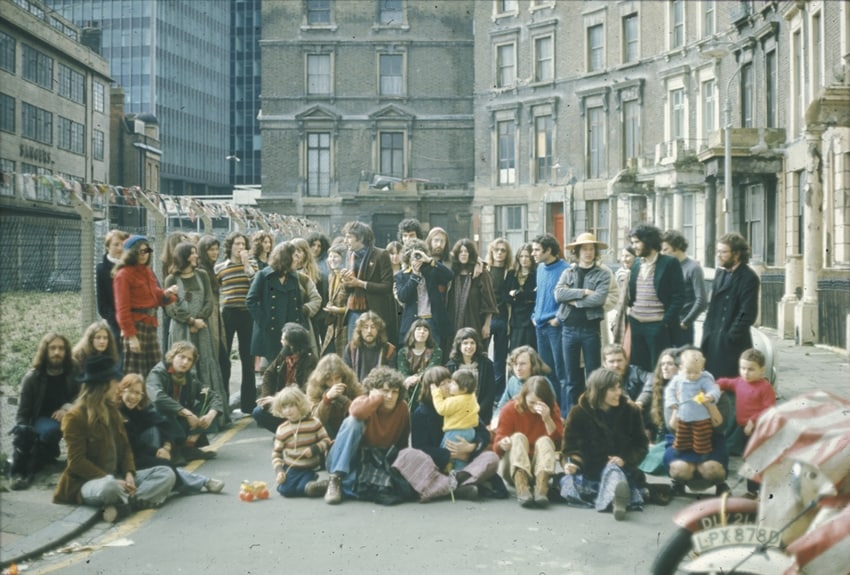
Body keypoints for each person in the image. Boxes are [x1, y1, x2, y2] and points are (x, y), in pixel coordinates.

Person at [53, 356, 176, 522]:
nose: (118, 385)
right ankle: (131, 500)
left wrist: (129, 474)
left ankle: (123, 506)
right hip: (90, 481)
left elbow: (125, 448)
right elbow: (76, 462)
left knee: (166, 473)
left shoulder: (112, 410)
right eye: (114, 381)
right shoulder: (75, 416)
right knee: (110, 488)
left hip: (118, 475)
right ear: (104, 385)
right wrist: (110, 479)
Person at [392, 366, 504, 502]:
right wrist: (449, 454)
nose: (448, 386)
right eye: (442, 384)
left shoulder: (462, 403)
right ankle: (459, 486)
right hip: (436, 465)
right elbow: (420, 448)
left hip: (465, 462)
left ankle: (451, 485)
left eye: (449, 382)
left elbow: (483, 433)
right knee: (407, 455)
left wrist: (471, 447)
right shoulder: (421, 413)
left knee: (490, 458)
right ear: (431, 389)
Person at [560, 367, 648, 521]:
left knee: (614, 473)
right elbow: (569, 448)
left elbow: (641, 445)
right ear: (599, 391)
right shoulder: (578, 413)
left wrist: (624, 459)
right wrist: (572, 464)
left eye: (619, 387)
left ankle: (617, 500)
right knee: (567, 482)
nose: (618, 393)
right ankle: (616, 495)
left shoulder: (631, 411)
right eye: (613, 389)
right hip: (589, 471)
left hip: (618, 469)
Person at [119, 374, 224, 493]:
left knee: (156, 432)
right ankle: (202, 481)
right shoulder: (117, 413)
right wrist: (156, 452)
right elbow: (132, 445)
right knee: (166, 467)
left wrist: (166, 446)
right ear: (121, 390)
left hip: (139, 454)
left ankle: (198, 481)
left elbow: (163, 423)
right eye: (130, 391)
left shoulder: (138, 410)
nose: (134, 397)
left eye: (138, 393)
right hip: (125, 461)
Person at [324, 366, 412, 505]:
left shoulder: (402, 408)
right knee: (353, 422)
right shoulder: (364, 401)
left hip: (371, 460)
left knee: (378, 483)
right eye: (385, 391)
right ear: (373, 391)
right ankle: (336, 478)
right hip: (345, 458)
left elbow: (402, 442)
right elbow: (357, 413)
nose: (390, 396)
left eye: (395, 391)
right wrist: (375, 399)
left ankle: (339, 486)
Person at [164, 242, 228, 422]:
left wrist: (199, 320)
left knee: (205, 363)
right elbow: (171, 308)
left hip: (202, 328)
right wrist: (190, 321)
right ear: (183, 257)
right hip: (181, 329)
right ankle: (184, 416)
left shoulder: (202, 275)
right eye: (192, 253)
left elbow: (209, 301)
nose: (196, 256)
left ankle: (211, 415)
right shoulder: (171, 279)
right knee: (182, 364)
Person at [9, 332, 79, 490]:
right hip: (44, 420)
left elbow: (82, 395)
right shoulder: (32, 378)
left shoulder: (73, 371)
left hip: (71, 416)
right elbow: (23, 412)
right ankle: (27, 468)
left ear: (66, 351)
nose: (57, 352)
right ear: (45, 351)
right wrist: (23, 437)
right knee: (49, 434)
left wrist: (68, 408)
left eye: (61, 348)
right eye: (52, 348)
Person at [555, 232, 611, 414]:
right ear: (577, 252)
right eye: (585, 249)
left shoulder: (602, 274)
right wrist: (583, 292)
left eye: (591, 249)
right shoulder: (568, 272)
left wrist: (573, 300)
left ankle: (594, 413)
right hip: (568, 329)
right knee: (572, 377)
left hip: (590, 329)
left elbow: (599, 299)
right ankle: (573, 415)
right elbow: (558, 294)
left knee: (593, 375)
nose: (588, 252)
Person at [113, 235, 179, 378]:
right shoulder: (123, 274)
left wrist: (167, 293)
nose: (144, 255)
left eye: (146, 251)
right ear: (131, 253)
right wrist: (131, 336)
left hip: (150, 325)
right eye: (139, 251)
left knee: (154, 371)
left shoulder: (146, 271)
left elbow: (154, 295)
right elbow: (122, 309)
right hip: (136, 327)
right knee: (135, 374)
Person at [246, 241, 321, 366]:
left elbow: (297, 306)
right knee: (274, 368)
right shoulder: (263, 275)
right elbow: (251, 300)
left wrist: (302, 329)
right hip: (269, 332)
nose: (298, 259)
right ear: (286, 257)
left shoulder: (293, 277)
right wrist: (263, 321)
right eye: (295, 255)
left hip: (288, 332)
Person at [146, 341, 223, 462]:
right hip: (160, 418)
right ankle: (172, 450)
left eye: (189, 359)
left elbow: (211, 396)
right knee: (164, 412)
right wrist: (186, 412)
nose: (185, 362)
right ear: (172, 356)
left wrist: (211, 415)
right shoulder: (158, 372)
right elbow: (157, 397)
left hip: (180, 418)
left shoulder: (190, 377)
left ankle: (188, 447)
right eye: (182, 357)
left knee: (207, 405)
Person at [493, 376, 563, 508]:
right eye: (531, 402)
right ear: (524, 397)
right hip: (513, 468)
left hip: (538, 467)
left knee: (545, 440)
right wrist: (502, 444)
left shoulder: (552, 409)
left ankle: (541, 489)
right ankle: (522, 488)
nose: (535, 407)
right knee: (518, 437)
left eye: (540, 403)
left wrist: (547, 419)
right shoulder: (510, 409)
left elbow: (558, 444)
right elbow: (497, 447)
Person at [701, 232, 761, 379]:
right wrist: (707, 333)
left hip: (733, 344)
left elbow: (748, 313)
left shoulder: (749, 277)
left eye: (723, 252)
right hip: (713, 341)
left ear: (737, 254)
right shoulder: (720, 274)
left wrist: (730, 336)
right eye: (718, 251)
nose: (718, 255)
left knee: (731, 384)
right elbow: (712, 308)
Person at [716, 348, 776, 496]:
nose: (746, 373)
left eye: (751, 369)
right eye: (743, 368)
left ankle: (756, 491)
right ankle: (754, 490)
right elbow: (725, 382)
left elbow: (769, 409)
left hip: (760, 429)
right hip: (745, 429)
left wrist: (753, 421)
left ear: (762, 370)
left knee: (755, 459)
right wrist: (716, 386)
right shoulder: (740, 382)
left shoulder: (765, 387)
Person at [627, 224, 685, 373]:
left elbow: (679, 297)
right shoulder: (636, 263)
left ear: (648, 241)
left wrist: (664, 323)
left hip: (657, 327)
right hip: (636, 325)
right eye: (632, 242)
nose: (634, 246)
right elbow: (632, 295)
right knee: (637, 370)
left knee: (658, 371)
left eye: (637, 242)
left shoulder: (669, 263)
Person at [215, 232, 256, 415]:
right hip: (229, 313)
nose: (240, 247)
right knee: (225, 358)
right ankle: (223, 404)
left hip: (247, 314)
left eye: (243, 244)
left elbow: (255, 284)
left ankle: (249, 405)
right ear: (230, 247)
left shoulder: (252, 265)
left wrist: (246, 265)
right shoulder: (221, 268)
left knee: (248, 359)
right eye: (237, 244)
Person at [340, 220, 398, 344]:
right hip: (354, 311)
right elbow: (348, 289)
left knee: (376, 348)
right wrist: (345, 281)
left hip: (375, 312)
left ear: (360, 238)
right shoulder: (350, 255)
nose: (345, 241)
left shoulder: (381, 255)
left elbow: (387, 286)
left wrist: (360, 283)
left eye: (349, 237)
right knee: (354, 348)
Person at [253, 323, 318, 433]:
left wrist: (278, 400)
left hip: (299, 404)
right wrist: (266, 397)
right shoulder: (284, 355)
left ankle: (295, 433)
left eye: (283, 339)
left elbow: (306, 391)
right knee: (259, 412)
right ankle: (285, 433)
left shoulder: (310, 362)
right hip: (283, 400)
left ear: (292, 344)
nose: (281, 341)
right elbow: (269, 374)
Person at [531, 234, 569, 416]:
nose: (533, 253)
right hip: (540, 326)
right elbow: (540, 295)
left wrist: (558, 319)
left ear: (549, 250)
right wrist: (534, 315)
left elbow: (569, 300)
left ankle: (563, 414)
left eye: (537, 250)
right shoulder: (540, 268)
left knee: (561, 373)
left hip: (555, 328)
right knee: (546, 372)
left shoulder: (566, 270)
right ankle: (551, 411)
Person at [270, 387, 332, 498]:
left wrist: (315, 448)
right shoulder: (282, 429)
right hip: (292, 467)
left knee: (302, 488)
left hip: (309, 467)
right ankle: (311, 485)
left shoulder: (314, 422)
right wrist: (279, 471)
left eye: (291, 406)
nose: (288, 410)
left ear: (300, 404)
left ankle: (320, 485)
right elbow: (277, 454)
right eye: (284, 407)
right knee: (285, 491)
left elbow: (326, 440)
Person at [395, 238, 454, 348]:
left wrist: (430, 260)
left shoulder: (431, 270)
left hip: (432, 321)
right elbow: (403, 296)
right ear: (408, 258)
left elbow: (449, 276)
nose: (416, 260)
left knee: (434, 352)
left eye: (418, 256)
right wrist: (415, 276)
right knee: (412, 353)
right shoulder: (401, 276)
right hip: (412, 322)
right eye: (413, 256)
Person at [446, 238, 498, 351]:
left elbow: (489, 301)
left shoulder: (481, 273)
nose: (464, 254)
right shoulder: (451, 274)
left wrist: (487, 325)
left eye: (467, 251)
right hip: (453, 321)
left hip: (474, 321)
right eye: (461, 251)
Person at [665, 348, 721, 455]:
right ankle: (682, 450)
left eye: (696, 372)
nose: (693, 375)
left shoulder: (704, 379)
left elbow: (714, 388)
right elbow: (669, 390)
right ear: (681, 367)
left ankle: (702, 452)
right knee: (682, 435)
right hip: (683, 416)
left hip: (701, 417)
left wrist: (710, 396)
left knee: (702, 437)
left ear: (702, 369)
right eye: (689, 372)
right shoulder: (678, 379)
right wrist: (671, 401)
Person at [660, 230, 707, 346]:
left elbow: (701, 301)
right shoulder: (667, 267)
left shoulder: (693, 268)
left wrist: (686, 322)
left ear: (676, 247)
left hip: (682, 325)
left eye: (665, 249)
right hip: (665, 324)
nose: (662, 253)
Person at [305, 353, 364, 439]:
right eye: (329, 380)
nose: (334, 383)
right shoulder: (314, 387)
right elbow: (316, 419)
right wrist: (326, 399)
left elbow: (362, 412)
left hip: (349, 429)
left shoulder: (352, 384)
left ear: (343, 376)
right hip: (326, 432)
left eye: (337, 378)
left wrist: (344, 401)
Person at [445, 327, 497, 425]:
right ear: (459, 345)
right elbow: (448, 393)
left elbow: (490, 392)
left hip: (480, 414)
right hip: (457, 415)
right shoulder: (451, 366)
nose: (469, 346)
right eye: (465, 343)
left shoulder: (486, 364)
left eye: (472, 343)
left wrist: (477, 411)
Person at [431, 369, 479, 471]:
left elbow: (441, 408)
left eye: (453, 383)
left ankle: (451, 474)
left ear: (464, 389)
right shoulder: (471, 396)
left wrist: (436, 393)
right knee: (461, 459)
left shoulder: (456, 400)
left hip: (456, 432)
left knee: (448, 454)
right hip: (470, 431)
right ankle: (462, 474)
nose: (449, 386)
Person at [484, 238, 512, 397]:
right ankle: (485, 392)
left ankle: (499, 395)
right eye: (497, 250)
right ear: (491, 251)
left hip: (503, 318)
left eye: (503, 250)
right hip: (486, 319)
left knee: (500, 359)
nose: (499, 253)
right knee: (483, 356)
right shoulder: (485, 270)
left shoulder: (510, 272)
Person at [601, 343, 653, 428]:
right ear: (604, 363)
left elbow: (653, 379)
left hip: (642, 416)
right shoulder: (600, 379)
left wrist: (640, 402)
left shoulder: (635, 371)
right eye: (611, 361)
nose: (616, 365)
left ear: (626, 360)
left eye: (619, 360)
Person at [495, 345, 554, 419]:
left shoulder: (543, 383)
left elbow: (553, 412)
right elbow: (501, 407)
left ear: (533, 365)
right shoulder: (513, 381)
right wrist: (495, 419)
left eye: (522, 364)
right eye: (515, 364)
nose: (518, 368)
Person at [396, 319, 443, 412]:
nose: (422, 332)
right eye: (418, 329)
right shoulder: (403, 352)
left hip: (427, 388)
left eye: (425, 330)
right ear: (412, 332)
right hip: (408, 387)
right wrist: (408, 379)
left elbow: (430, 370)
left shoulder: (436, 351)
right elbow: (402, 371)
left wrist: (417, 378)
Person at [196, 235, 226, 374]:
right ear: (203, 251)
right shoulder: (202, 271)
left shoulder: (210, 269)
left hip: (214, 316)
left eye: (216, 249)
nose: (215, 252)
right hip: (207, 317)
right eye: (211, 250)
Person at [343, 311, 397, 382]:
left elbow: (391, 378)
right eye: (365, 327)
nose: (369, 331)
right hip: (357, 387)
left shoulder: (389, 349)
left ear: (379, 330)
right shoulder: (351, 348)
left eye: (373, 327)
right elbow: (346, 376)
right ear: (360, 330)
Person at [96, 229, 129, 343]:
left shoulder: (131, 265)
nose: (120, 248)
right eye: (116, 244)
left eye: (123, 244)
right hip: (114, 321)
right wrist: (118, 320)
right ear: (107, 247)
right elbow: (102, 304)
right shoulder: (101, 269)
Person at [504, 242, 537, 351]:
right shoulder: (511, 274)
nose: (524, 259)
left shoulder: (536, 274)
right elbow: (505, 295)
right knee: (515, 349)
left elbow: (535, 295)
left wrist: (517, 294)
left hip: (530, 318)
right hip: (515, 318)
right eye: (521, 256)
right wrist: (524, 297)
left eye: (527, 256)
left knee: (530, 349)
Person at [321, 243, 350, 356]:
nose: (332, 259)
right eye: (330, 256)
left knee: (343, 357)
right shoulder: (331, 276)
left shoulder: (349, 277)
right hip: (332, 325)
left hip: (345, 325)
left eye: (336, 256)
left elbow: (354, 304)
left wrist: (338, 310)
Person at [611, 246, 636, 346]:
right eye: (622, 256)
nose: (624, 259)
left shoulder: (638, 273)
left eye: (628, 256)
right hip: (622, 313)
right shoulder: (619, 274)